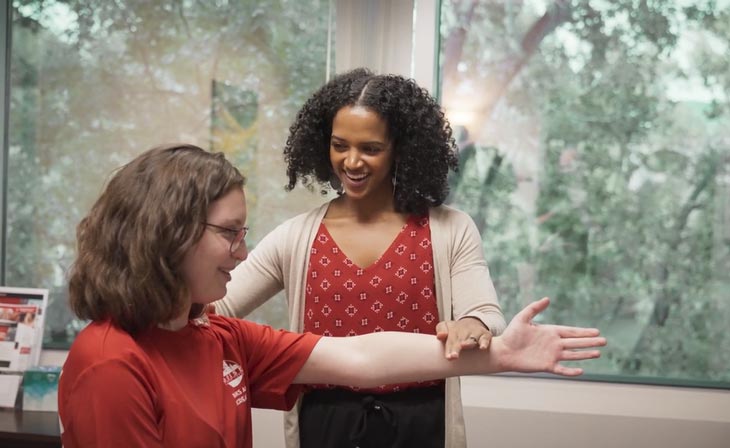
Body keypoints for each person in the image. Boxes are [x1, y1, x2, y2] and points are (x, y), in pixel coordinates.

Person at [58, 144, 606, 448]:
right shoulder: (111, 363)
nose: (243, 253)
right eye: (229, 233)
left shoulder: (217, 338)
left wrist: (503, 354)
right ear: (168, 234)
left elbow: (360, 356)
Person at [211, 68, 526, 447]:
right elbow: (218, 308)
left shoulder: (450, 229)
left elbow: (486, 315)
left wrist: (473, 323)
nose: (352, 162)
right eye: (340, 145)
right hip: (324, 424)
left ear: (401, 149)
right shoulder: (296, 237)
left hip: (421, 424)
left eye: (370, 149)